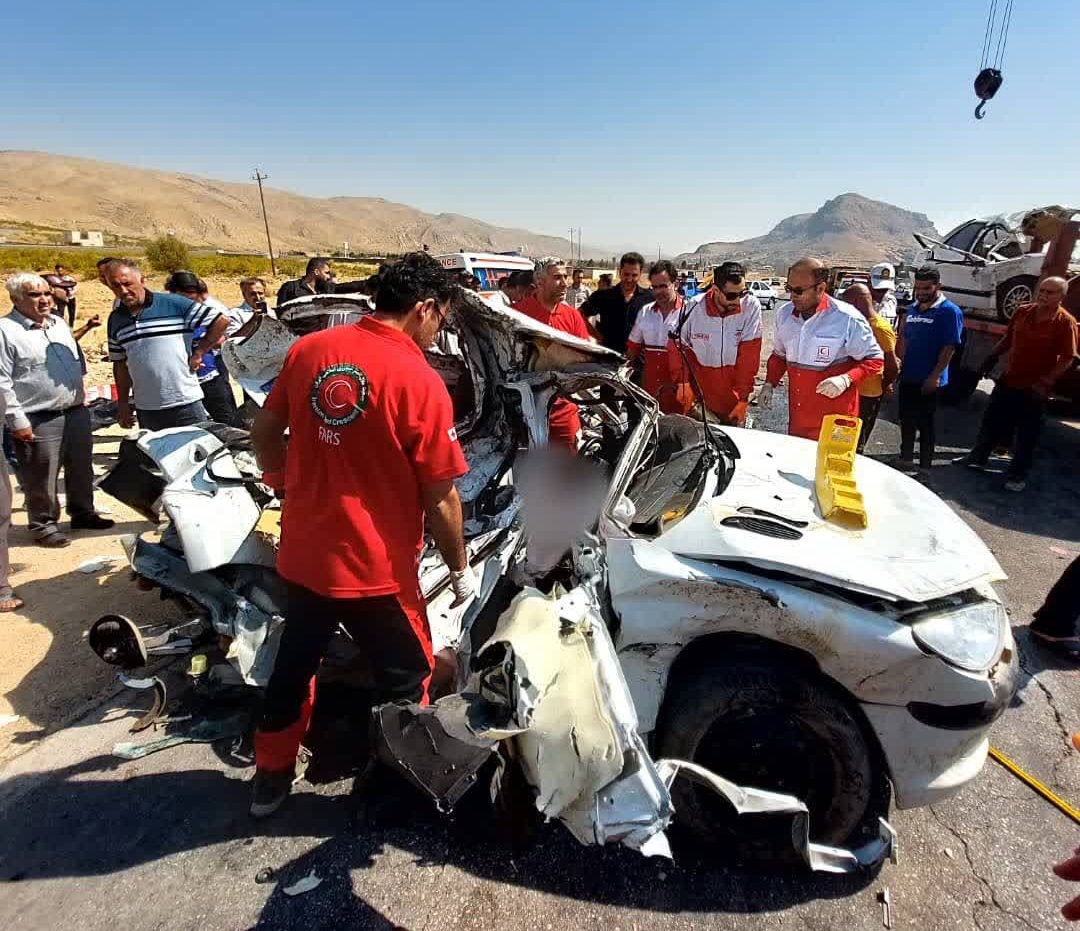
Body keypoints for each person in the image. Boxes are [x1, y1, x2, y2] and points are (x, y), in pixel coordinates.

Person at [248, 252, 476, 817]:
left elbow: (264, 430)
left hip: (305, 557)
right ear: (425, 308)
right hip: (378, 571)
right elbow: (441, 494)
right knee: (408, 678)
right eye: (441, 319)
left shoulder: (309, 350)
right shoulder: (418, 380)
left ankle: (271, 778)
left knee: (294, 669)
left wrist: (283, 486)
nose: (438, 331)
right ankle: (393, 784)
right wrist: (458, 564)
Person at [0, 273, 114, 548]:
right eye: (35, 295)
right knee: (41, 473)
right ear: (16, 299)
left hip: (75, 410)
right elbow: (2, 381)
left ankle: (83, 512)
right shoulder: (5, 331)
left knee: (81, 466)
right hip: (36, 416)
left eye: (46, 294)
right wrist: (17, 420)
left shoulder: (58, 323)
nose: (44, 300)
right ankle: (43, 523)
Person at [956, 276, 1077, 491]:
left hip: (1034, 389)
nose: (1043, 295)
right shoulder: (1023, 312)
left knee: (1027, 434)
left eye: (1050, 292)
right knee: (992, 420)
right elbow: (1008, 339)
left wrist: (1046, 381)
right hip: (1009, 379)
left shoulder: (1065, 322)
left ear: (1062, 296)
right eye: (1042, 290)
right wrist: (990, 359)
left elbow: (1069, 357)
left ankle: (1017, 476)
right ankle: (977, 458)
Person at [751, 258, 884, 441]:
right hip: (799, 420)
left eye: (798, 291)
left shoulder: (847, 318)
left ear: (820, 289)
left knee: (832, 468)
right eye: (789, 289)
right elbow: (779, 356)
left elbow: (875, 359)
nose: (792, 297)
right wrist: (769, 384)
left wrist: (846, 379)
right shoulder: (784, 315)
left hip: (836, 421)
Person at [105, 259, 229, 431]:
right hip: (146, 408)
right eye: (115, 286)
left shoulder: (173, 304)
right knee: (158, 456)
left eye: (127, 284)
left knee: (194, 453)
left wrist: (199, 352)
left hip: (185, 402)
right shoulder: (116, 319)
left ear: (142, 280)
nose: (123, 291)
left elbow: (221, 321)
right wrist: (123, 404)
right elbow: (120, 364)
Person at [668, 262, 762, 425]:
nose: (739, 300)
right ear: (715, 290)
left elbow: (749, 357)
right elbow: (676, 347)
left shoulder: (751, 307)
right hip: (699, 401)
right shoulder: (693, 308)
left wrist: (744, 398)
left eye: (743, 293)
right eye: (732, 296)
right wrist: (683, 382)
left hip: (733, 402)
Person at [513, 258, 593, 450]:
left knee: (568, 470)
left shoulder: (572, 316)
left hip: (563, 412)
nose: (565, 283)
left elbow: (585, 361)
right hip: (525, 412)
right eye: (557, 277)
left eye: (565, 276)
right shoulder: (516, 315)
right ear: (539, 282)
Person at [894, 266, 963, 471]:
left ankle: (924, 468)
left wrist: (935, 376)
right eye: (918, 287)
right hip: (908, 376)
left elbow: (949, 347)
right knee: (906, 419)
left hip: (929, 380)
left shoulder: (949, 311)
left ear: (938, 286)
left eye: (926, 288)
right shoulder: (914, 308)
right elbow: (904, 339)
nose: (921, 292)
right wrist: (899, 365)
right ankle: (906, 458)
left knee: (925, 424)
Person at [163, 272, 238, 426]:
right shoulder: (164, 317)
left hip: (209, 376)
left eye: (192, 299)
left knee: (229, 423)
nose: (188, 304)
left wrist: (200, 352)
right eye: (182, 299)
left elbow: (223, 324)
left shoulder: (202, 312)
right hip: (182, 384)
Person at [842, 283, 899, 452]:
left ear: (858, 302)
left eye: (848, 303)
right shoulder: (858, 323)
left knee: (858, 437)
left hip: (869, 393)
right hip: (854, 389)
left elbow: (892, 365)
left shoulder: (879, 328)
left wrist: (884, 384)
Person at [626, 260, 682, 412]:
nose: (658, 292)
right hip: (650, 396)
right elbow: (632, 350)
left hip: (680, 398)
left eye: (663, 286)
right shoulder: (645, 312)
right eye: (655, 287)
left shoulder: (689, 313)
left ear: (675, 284)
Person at [580, 252, 654, 352]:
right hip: (608, 359)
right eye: (626, 274)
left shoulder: (649, 299)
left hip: (638, 362)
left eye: (634, 275)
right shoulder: (603, 296)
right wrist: (596, 335)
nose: (629, 279)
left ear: (641, 274)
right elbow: (579, 314)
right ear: (620, 272)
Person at [869, 262, 899, 327]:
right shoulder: (860, 302)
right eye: (878, 290)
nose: (882, 293)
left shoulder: (892, 301)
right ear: (869, 282)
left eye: (885, 289)